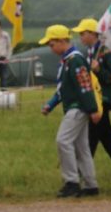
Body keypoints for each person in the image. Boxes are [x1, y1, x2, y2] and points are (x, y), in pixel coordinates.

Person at [39, 25, 101, 198]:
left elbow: (85, 86)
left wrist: (92, 109)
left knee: (63, 140)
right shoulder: (68, 61)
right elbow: (63, 89)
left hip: (78, 108)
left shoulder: (75, 61)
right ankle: (91, 184)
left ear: (61, 41)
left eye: (51, 44)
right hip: (76, 107)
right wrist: (50, 105)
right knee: (82, 147)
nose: (50, 48)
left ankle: (71, 182)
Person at [73, 18, 111, 179]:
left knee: (91, 137)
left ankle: (81, 172)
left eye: (83, 33)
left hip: (102, 101)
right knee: (107, 137)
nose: (80, 37)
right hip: (95, 99)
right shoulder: (90, 53)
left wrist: (99, 70)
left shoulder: (105, 52)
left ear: (92, 34)